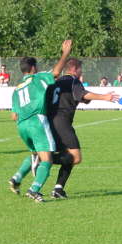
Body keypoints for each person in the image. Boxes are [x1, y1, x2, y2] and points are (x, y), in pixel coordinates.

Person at [43, 58, 119, 199]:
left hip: (51, 122)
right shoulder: (73, 80)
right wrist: (105, 97)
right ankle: (43, 159)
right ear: (74, 69)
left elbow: (82, 96)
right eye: (80, 69)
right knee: (76, 157)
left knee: (68, 155)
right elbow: (82, 94)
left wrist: (86, 95)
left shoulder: (55, 82)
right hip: (62, 122)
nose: (81, 72)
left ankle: (58, 188)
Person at [8, 40, 73, 202]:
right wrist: (65, 53)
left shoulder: (17, 89)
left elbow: (13, 116)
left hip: (21, 126)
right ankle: (34, 189)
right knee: (47, 159)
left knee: (35, 154)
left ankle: (16, 178)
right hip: (37, 121)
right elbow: (56, 72)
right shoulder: (37, 78)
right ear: (32, 68)